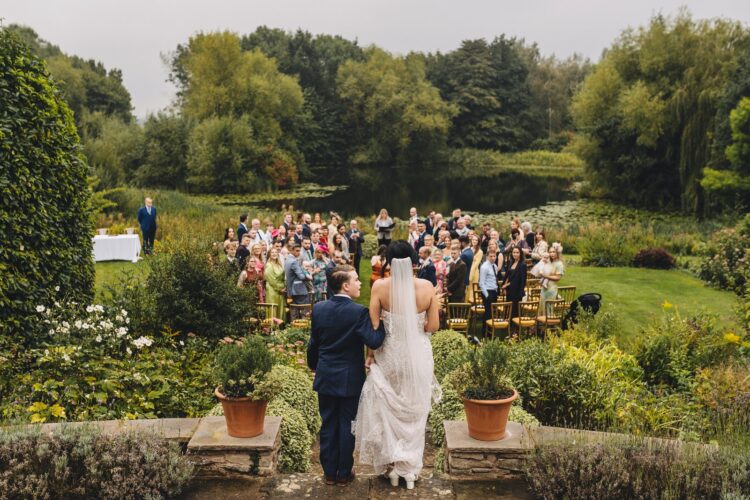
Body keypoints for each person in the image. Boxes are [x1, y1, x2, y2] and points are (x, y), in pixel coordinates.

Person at [354, 241, 441, 490]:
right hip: (418, 356)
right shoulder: (427, 287)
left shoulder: (380, 287)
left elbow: (374, 328)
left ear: (388, 262)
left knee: (390, 410)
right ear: (413, 261)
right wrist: (415, 330)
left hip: (389, 354)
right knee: (415, 409)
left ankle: (393, 468)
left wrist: (370, 355)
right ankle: (410, 469)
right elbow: (432, 327)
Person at [308, 266, 386, 487]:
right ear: (345, 285)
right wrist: (381, 325)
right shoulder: (358, 312)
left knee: (328, 423)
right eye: (355, 280)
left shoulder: (319, 309)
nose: (359, 283)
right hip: (350, 379)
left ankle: (329, 473)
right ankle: (344, 473)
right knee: (347, 425)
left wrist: (314, 365)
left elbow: (314, 343)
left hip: (325, 376)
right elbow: (374, 341)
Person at [501, 247, 527, 326]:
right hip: (509, 290)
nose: (515, 254)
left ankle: (514, 328)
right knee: (508, 308)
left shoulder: (522, 265)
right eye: (514, 252)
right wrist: (504, 286)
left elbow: (522, 280)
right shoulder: (511, 262)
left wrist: (507, 285)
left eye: (517, 252)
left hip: (517, 291)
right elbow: (507, 276)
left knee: (514, 310)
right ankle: (507, 325)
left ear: (520, 254)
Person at [540, 244, 564, 312]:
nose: (552, 254)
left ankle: (549, 322)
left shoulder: (559, 264)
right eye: (550, 252)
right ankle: (542, 321)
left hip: (551, 288)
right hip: (544, 288)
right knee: (542, 305)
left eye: (553, 252)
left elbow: (558, 277)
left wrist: (546, 276)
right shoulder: (549, 262)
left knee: (549, 307)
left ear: (557, 253)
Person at [264, 248, 286, 323]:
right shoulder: (269, 265)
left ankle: (280, 328)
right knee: (273, 308)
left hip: (281, 289)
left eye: (275, 252)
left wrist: (284, 287)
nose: (274, 254)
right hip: (272, 290)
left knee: (280, 307)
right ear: (269, 254)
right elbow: (271, 280)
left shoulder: (279, 264)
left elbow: (283, 277)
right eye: (272, 252)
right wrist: (279, 288)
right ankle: (272, 327)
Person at [479, 250, 499, 327]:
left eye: (494, 256)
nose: (493, 258)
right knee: (487, 313)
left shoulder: (495, 266)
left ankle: (491, 331)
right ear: (487, 257)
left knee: (492, 313)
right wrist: (487, 295)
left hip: (494, 291)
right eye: (491, 256)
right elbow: (481, 283)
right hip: (487, 292)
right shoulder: (484, 267)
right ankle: (485, 334)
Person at [466, 233, 482, 300]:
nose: (474, 241)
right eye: (473, 240)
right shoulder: (467, 249)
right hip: (467, 271)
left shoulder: (480, 252)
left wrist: (470, 276)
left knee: (472, 289)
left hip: (474, 272)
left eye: (476, 240)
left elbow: (475, 265)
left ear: (478, 242)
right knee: (467, 289)